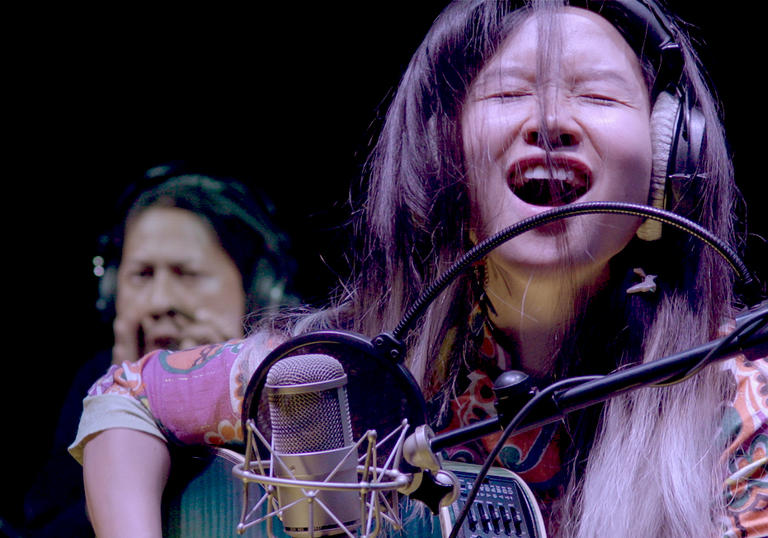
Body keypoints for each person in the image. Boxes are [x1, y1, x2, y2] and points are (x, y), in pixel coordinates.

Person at [70, 1, 767, 537]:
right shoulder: (339, 380)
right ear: (447, 170)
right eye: (508, 94)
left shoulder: (737, 416)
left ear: (663, 181)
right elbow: (127, 394)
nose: (551, 121)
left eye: (597, 96)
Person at [24, 165, 297, 537]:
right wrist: (119, 409)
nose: (160, 301)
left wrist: (226, 397)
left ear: (256, 290)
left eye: (186, 273)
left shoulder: (295, 380)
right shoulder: (91, 381)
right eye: (142, 274)